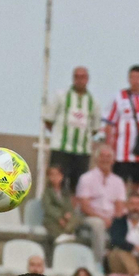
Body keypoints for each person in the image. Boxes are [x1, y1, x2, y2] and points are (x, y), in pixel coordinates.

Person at [103, 65, 139, 188]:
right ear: (128, 79)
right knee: (119, 186)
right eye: (133, 77)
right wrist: (108, 147)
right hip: (120, 153)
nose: (136, 81)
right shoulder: (119, 97)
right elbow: (109, 124)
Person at [42, 66, 99, 195]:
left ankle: (72, 212)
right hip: (61, 149)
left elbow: (95, 128)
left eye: (83, 77)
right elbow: (48, 119)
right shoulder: (61, 96)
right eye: (77, 77)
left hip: (82, 152)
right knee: (55, 184)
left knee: (78, 186)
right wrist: (59, 134)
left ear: (87, 79)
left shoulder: (93, 102)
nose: (80, 80)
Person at [75, 144, 128, 262]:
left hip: (111, 219)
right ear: (96, 159)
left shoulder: (118, 181)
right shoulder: (86, 178)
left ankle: (118, 265)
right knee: (98, 225)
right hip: (90, 217)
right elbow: (84, 206)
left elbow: (120, 206)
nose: (105, 159)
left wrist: (114, 220)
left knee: (129, 225)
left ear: (113, 160)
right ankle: (98, 263)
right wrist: (103, 219)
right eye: (102, 156)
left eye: (108, 156)